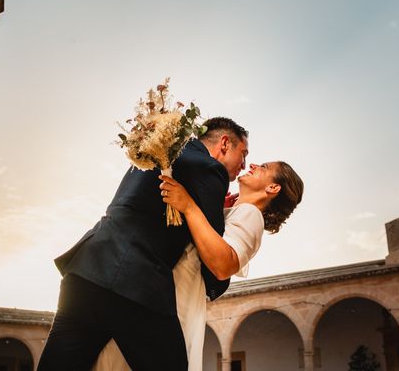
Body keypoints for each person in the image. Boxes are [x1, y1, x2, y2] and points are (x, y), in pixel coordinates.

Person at [37, 117, 249, 371]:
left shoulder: (158, 152)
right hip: (136, 283)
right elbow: (211, 251)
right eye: (243, 153)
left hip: (86, 270)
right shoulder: (209, 168)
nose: (244, 165)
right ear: (224, 143)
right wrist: (217, 282)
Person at [93, 160, 304, 370]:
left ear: (273, 188)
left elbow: (223, 264)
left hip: (173, 294)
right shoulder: (238, 211)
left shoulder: (252, 214)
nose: (254, 165)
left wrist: (188, 206)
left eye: (264, 168)